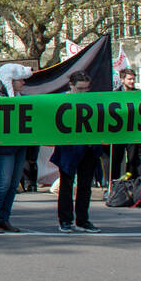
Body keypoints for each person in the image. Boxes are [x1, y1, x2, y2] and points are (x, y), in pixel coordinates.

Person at [50, 72, 105, 233]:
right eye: (80, 89)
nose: (83, 92)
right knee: (66, 186)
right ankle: (65, 220)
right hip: (69, 149)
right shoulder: (60, 100)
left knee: (85, 186)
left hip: (89, 148)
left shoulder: (93, 99)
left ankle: (83, 220)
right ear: (71, 86)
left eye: (86, 89)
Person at [0, 63, 34, 234]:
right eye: (20, 80)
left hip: (18, 145)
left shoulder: (19, 96)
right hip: (1, 148)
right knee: (0, 184)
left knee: (12, 185)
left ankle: (3, 218)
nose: (24, 83)